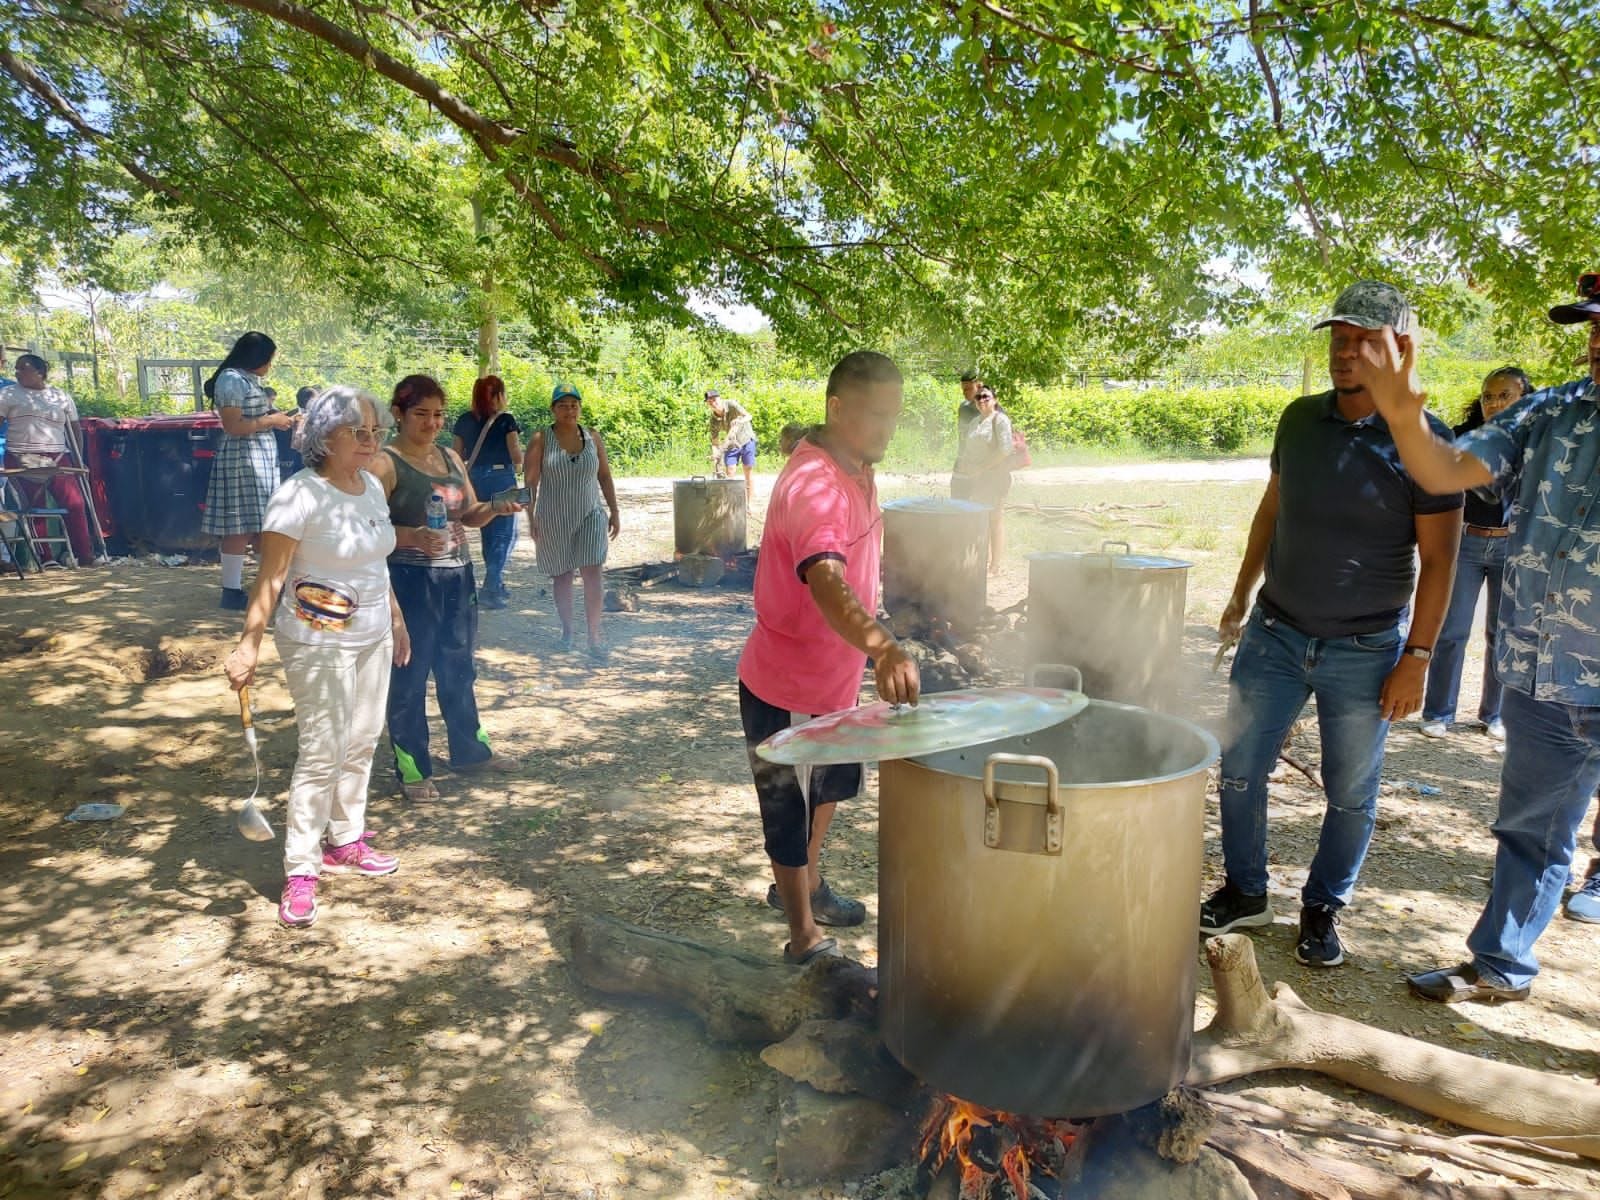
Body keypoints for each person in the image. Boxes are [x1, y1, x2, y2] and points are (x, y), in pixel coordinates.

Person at [1352, 270, 1600, 1002]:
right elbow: (1448, 470)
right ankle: (1500, 967)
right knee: (1529, 830)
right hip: (1543, 675)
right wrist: (1403, 418)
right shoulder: (1553, 411)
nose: (1597, 340)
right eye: (1594, 324)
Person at [1200, 281, 1463, 970]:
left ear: (1399, 349)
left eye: (1364, 342)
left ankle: (1323, 906)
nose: (1345, 353)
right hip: (1275, 634)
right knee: (1238, 768)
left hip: (1366, 649)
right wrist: (1240, 593)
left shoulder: (1427, 441)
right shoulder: (1298, 419)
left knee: (1350, 794)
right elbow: (1272, 508)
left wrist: (1418, 657)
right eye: (1339, 340)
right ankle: (1246, 891)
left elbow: (1441, 561)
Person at [739, 350, 921, 965]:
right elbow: (824, 579)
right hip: (787, 687)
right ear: (837, 409)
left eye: (894, 415)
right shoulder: (814, 485)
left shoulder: (857, 465)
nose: (887, 428)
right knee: (788, 811)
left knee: (829, 788)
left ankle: (809, 885)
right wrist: (883, 645)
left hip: (835, 678)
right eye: (876, 415)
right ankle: (803, 937)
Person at [223, 387, 408, 929]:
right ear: (326, 437)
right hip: (316, 639)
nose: (371, 441)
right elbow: (270, 578)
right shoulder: (297, 495)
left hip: (373, 633)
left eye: (376, 431)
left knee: (363, 739)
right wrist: (248, 643)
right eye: (359, 432)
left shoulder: (371, 487)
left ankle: (345, 838)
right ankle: (301, 868)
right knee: (323, 750)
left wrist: (397, 620)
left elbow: (377, 565)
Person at [371, 374, 523, 801]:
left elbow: (469, 513)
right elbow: (367, 530)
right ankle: (412, 769)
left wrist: (496, 507)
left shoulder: (450, 458)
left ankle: (470, 753)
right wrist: (412, 536)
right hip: (408, 581)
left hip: (457, 575)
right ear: (398, 414)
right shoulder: (384, 464)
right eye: (421, 414)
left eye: (438, 414)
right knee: (410, 674)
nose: (432, 423)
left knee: (459, 667)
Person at [1418, 367, 1534, 744]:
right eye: (1488, 396)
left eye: (1505, 396)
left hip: (1513, 547)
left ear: (1525, 399)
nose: (1494, 403)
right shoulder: (1463, 437)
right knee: (1451, 630)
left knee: (1503, 634)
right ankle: (1439, 712)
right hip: (1466, 543)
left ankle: (1494, 714)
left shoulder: (1540, 439)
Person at [524, 382, 620, 662]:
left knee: (593, 572)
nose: (569, 410)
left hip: (590, 514)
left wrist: (614, 510)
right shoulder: (541, 439)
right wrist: (530, 517)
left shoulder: (592, 436)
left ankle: (594, 636)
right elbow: (530, 483)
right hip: (553, 517)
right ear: (553, 409)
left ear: (580, 408)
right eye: (563, 405)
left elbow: (605, 476)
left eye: (574, 405)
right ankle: (567, 631)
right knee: (563, 575)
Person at [202, 332, 296, 611]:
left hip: (259, 461)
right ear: (256, 357)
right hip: (242, 460)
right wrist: (271, 421)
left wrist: (281, 420)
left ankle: (270, 585)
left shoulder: (247, 379)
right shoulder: (231, 379)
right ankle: (231, 591)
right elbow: (233, 426)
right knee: (239, 526)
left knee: (262, 526)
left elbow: (253, 418)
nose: (270, 365)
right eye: (268, 359)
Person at [0, 354, 104, 567]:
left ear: (40, 372)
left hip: (57, 457)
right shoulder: (8, 394)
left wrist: (77, 458)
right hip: (21, 457)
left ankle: (84, 554)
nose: (17, 373)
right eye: (16, 368)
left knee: (75, 503)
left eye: (23, 368)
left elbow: (74, 429)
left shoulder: (60, 396)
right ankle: (45, 558)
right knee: (33, 506)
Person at [452, 375, 524, 610]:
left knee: (487, 531)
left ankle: (497, 582)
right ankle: (491, 587)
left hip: (473, 479)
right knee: (505, 533)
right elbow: (516, 455)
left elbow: (456, 455)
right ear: (499, 396)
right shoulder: (505, 420)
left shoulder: (464, 419)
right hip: (501, 477)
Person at [950, 383, 1014, 574]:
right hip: (978, 479)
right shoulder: (975, 422)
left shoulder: (1000, 420)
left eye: (986, 396)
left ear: (995, 400)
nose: (982, 400)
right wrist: (966, 468)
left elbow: (1005, 450)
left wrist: (982, 467)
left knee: (995, 519)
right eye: (978, 397)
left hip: (996, 477)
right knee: (980, 519)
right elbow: (969, 450)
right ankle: (980, 560)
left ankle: (995, 565)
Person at [705, 389, 757, 504]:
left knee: (747, 471)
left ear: (719, 398)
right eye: (709, 402)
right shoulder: (713, 420)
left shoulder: (731, 404)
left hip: (746, 439)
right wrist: (716, 455)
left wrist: (740, 421)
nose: (713, 403)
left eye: (714, 400)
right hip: (731, 443)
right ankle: (731, 504)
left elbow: (749, 416)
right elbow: (715, 442)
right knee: (730, 472)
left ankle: (749, 504)